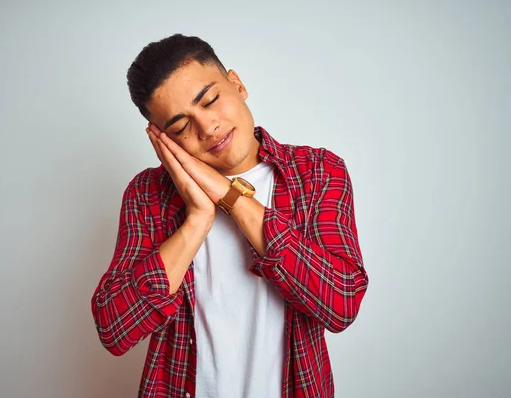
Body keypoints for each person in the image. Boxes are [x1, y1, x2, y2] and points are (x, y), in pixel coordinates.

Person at [91, 33, 369, 398]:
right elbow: (115, 329)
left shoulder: (317, 172)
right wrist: (197, 220)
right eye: (180, 127)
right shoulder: (147, 195)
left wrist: (230, 196)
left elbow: (341, 303)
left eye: (209, 101)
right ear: (162, 139)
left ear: (237, 84)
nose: (207, 128)